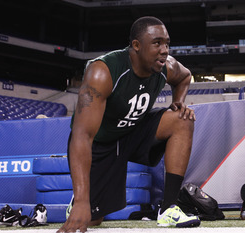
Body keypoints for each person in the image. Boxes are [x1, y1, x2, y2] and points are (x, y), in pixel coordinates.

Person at [57, 16, 199, 233]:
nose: (164, 50)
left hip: (132, 132)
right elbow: (81, 135)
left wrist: (178, 102)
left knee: (183, 119)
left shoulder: (165, 67)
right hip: (101, 144)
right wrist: (83, 203)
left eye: (167, 43)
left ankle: (168, 208)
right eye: (157, 43)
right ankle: (79, 199)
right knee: (92, 219)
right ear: (136, 45)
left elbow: (185, 77)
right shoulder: (102, 71)